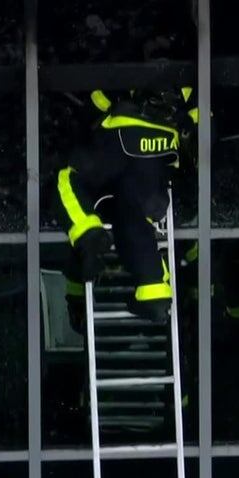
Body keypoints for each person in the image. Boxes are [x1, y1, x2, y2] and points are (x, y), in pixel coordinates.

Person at [55, 83, 198, 326]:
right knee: (132, 216)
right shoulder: (189, 81)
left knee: (68, 178)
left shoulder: (129, 67)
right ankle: (153, 291)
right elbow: (202, 128)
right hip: (157, 162)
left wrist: (82, 129)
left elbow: (95, 101)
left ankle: (89, 237)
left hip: (118, 141)